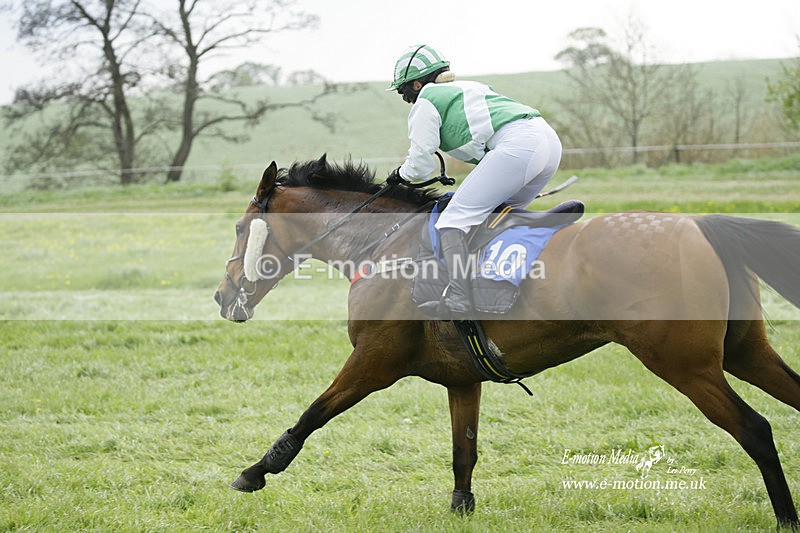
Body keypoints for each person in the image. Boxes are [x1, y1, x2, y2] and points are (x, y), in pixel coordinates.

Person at [386, 44, 563, 316]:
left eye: (403, 91)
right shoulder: (470, 87)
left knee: (452, 220)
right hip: (547, 141)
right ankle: (493, 279)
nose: (405, 98)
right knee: (495, 214)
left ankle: (459, 297)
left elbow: (420, 165)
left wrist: (400, 175)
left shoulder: (426, 101)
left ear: (417, 84)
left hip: (518, 146)